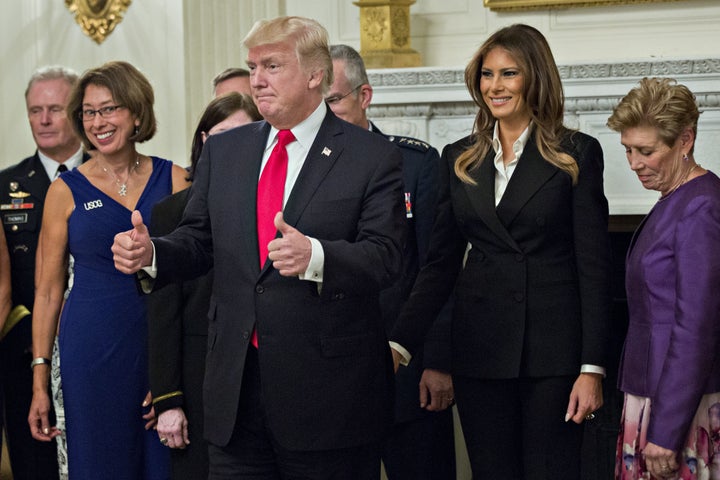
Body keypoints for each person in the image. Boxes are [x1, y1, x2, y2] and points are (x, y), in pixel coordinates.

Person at [112, 16, 404, 480]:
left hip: (328, 400)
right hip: (236, 391)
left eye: (272, 65)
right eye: (253, 67)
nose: (258, 80)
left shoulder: (370, 155)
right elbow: (199, 242)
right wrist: (152, 254)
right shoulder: (227, 152)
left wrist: (317, 257)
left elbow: (388, 256)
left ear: (314, 74)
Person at [389, 24, 613, 479]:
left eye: (509, 73)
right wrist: (400, 343)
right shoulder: (459, 157)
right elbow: (440, 265)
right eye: (487, 75)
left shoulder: (577, 153)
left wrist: (592, 368)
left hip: (553, 357)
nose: (495, 86)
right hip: (480, 352)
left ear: (536, 78)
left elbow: (594, 269)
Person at [27, 60, 190, 479]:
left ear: (136, 112)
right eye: (88, 111)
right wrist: (40, 378)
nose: (98, 121)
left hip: (159, 344)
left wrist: (174, 376)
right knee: (99, 464)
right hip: (90, 352)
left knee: (163, 465)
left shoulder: (175, 179)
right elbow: (46, 291)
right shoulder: (64, 191)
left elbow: (195, 280)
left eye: (109, 108)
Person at [327, 44, 455, 480]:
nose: (324, 113)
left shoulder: (415, 164)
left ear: (364, 96)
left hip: (407, 364)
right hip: (333, 372)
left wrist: (437, 360)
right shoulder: (300, 171)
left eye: (334, 100)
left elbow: (437, 268)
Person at [607, 77, 720, 480]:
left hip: (675, 410)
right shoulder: (676, 200)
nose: (634, 163)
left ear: (685, 139)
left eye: (646, 151)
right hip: (653, 398)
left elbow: (697, 328)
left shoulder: (701, 206)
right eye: (628, 150)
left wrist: (667, 432)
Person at [149, 92, 262, 479]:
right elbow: (162, 316)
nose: (232, 146)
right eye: (220, 135)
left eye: (243, 134)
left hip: (261, 374)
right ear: (203, 141)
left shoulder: (277, 204)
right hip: (196, 376)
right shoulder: (171, 212)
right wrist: (167, 400)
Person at [0, 65, 88, 480]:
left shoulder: (110, 174)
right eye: (36, 110)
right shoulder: (6, 186)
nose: (45, 120)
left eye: (55, 108)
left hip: (94, 343)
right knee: (33, 462)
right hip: (23, 353)